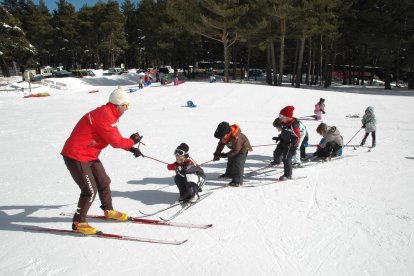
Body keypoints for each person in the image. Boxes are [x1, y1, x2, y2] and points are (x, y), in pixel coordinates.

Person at [61, 87, 143, 235]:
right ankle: (78, 222)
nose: (127, 108)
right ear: (118, 104)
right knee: (90, 191)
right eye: (126, 105)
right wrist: (132, 141)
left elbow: (111, 138)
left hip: (89, 154)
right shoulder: (105, 116)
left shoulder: (110, 113)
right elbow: (117, 142)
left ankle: (108, 210)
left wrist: (131, 148)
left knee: (104, 181)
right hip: (76, 155)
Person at [213, 122, 252, 186]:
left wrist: (225, 155)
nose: (221, 139)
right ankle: (229, 174)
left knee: (238, 162)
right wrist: (217, 154)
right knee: (231, 160)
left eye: (222, 137)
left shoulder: (236, 137)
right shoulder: (224, 136)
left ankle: (238, 181)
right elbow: (220, 145)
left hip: (243, 149)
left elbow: (236, 150)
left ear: (227, 133)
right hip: (235, 148)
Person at [270, 106, 301, 181]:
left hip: (290, 144)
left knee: (286, 158)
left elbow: (297, 137)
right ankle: (277, 162)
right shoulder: (284, 123)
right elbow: (284, 132)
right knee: (277, 153)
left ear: (287, 116)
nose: (280, 118)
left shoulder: (294, 125)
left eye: (281, 116)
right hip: (283, 141)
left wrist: (294, 147)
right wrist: (279, 137)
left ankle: (288, 174)